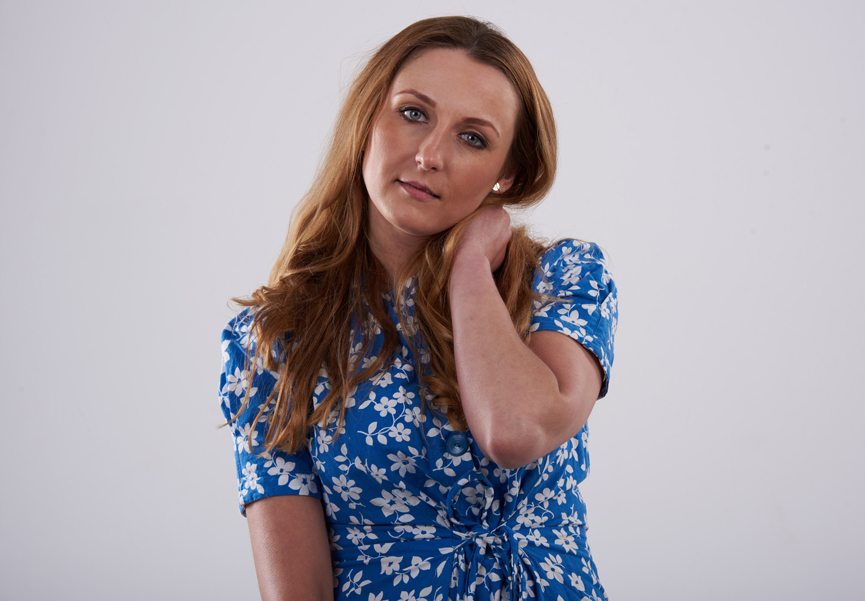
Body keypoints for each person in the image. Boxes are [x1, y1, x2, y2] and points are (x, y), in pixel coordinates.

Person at [218, 15, 618, 601]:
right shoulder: (274, 340)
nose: (430, 155)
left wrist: (469, 267)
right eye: (413, 113)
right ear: (367, 119)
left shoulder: (561, 279)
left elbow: (515, 430)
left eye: (472, 138)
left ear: (507, 174)